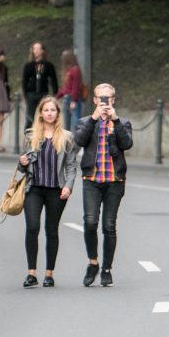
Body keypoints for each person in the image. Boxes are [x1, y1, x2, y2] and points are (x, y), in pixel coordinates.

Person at [71, 83, 133, 287]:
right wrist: (94, 118)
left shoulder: (122, 122)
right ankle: (93, 262)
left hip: (115, 181)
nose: (104, 102)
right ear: (95, 100)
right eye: (100, 98)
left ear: (113, 100)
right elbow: (79, 140)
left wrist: (114, 120)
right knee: (90, 222)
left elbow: (127, 144)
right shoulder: (85, 121)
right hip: (92, 179)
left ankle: (107, 268)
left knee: (109, 225)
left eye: (108, 98)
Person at [17, 96, 77, 288]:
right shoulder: (30, 136)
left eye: (53, 110)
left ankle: (49, 274)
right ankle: (31, 273)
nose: (50, 113)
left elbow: (71, 166)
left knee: (52, 230)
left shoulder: (67, 137)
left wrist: (68, 186)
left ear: (58, 114)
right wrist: (22, 162)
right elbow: (22, 166)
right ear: (41, 114)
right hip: (33, 188)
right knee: (32, 227)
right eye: (46, 110)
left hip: (56, 190)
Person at [21, 41, 58, 131]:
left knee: (45, 117)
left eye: (38, 49)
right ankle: (28, 139)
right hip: (32, 94)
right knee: (30, 118)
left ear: (42, 51)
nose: (36, 51)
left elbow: (53, 80)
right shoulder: (28, 66)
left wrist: (55, 94)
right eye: (34, 49)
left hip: (43, 94)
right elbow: (24, 81)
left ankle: (46, 138)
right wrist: (26, 95)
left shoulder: (48, 65)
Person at [55, 49, 84, 130]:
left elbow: (76, 86)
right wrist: (56, 97)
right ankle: (67, 141)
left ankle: (76, 141)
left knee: (75, 122)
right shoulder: (66, 71)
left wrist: (74, 101)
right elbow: (65, 88)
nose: (62, 58)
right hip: (66, 98)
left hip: (73, 98)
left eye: (64, 56)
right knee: (66, 123)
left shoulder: (75, 70)